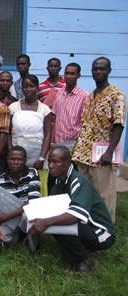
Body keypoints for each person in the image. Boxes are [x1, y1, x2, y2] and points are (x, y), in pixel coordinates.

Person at [29, 146, 115, 272]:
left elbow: (76, 216)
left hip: (101, 232)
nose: (51, 166)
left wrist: (45, 222)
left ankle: (83, 259)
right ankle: (81, 249)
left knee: (61, 224)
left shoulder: (78, 182)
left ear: (67, 163)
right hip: (85, 226)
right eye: (49, 162)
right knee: (56, 223)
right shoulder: (58, 184)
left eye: (55, 162)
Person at [72, 57, 126, 223]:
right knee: (85, 190)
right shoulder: (90, 96)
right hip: (84, 152)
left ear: (109, 70)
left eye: (102, 69)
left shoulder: (116, 95)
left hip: (103, 153)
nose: (99, 72)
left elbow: (119, 124)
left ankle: (105, 225)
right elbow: (86, 124)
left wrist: (109, 152)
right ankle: (87, 220)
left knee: (104, 192)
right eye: (96, 69)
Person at [0, 146, 41, 251]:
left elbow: (32, 202)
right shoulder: (1, 180)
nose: (16, 162)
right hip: (11, 217)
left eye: (20, 159)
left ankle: (34, 247)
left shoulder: (32, 173)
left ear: (25, 161)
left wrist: (7, 217)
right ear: (7, 160)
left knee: (28, 214)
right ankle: (19, 236)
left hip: (25, 214)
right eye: (12, 159)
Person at [9, 74, 52, 170]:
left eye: (31, 86)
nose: (28, 89)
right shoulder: (13, 107)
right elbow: (7, 132)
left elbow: (48, 135)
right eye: (25, 87)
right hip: (16, 157)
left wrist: (42, 158)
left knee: (37, 183)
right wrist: (10, 152)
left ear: (37, 88)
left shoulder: (45, 109)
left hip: (38, 156)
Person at [52, 63, 88, 150]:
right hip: (57, 142)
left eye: (72, 74)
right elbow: (55, 119)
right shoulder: (60, 93)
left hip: (73, 143)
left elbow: (85, 124)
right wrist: (52, 141)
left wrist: (79, 145)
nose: (68, 76)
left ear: (78, 76)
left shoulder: (84, 96)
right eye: (66, 73)